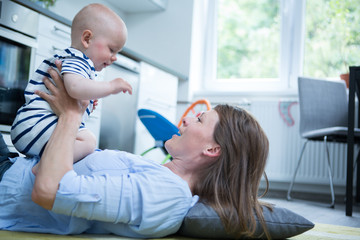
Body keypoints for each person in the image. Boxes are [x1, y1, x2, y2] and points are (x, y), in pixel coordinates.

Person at [0, 63, 271, 239]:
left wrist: (71, 115)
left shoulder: (169, 194)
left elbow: (50, 190)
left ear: (213, 149)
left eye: (199, 120)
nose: (186, 119)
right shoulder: (163, 178)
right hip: (13, 166)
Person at [10, 3, 132, 162]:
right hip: (38, 124)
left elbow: (73, 96)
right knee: (88, 142)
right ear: (87, 39)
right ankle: (45, 166)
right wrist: (111, 86)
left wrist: (86, 104)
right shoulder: (77, 59)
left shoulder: (75, 62)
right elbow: (75, 87)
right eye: (111, 49)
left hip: (34, 126)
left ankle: (44, 164)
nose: (114, 57)